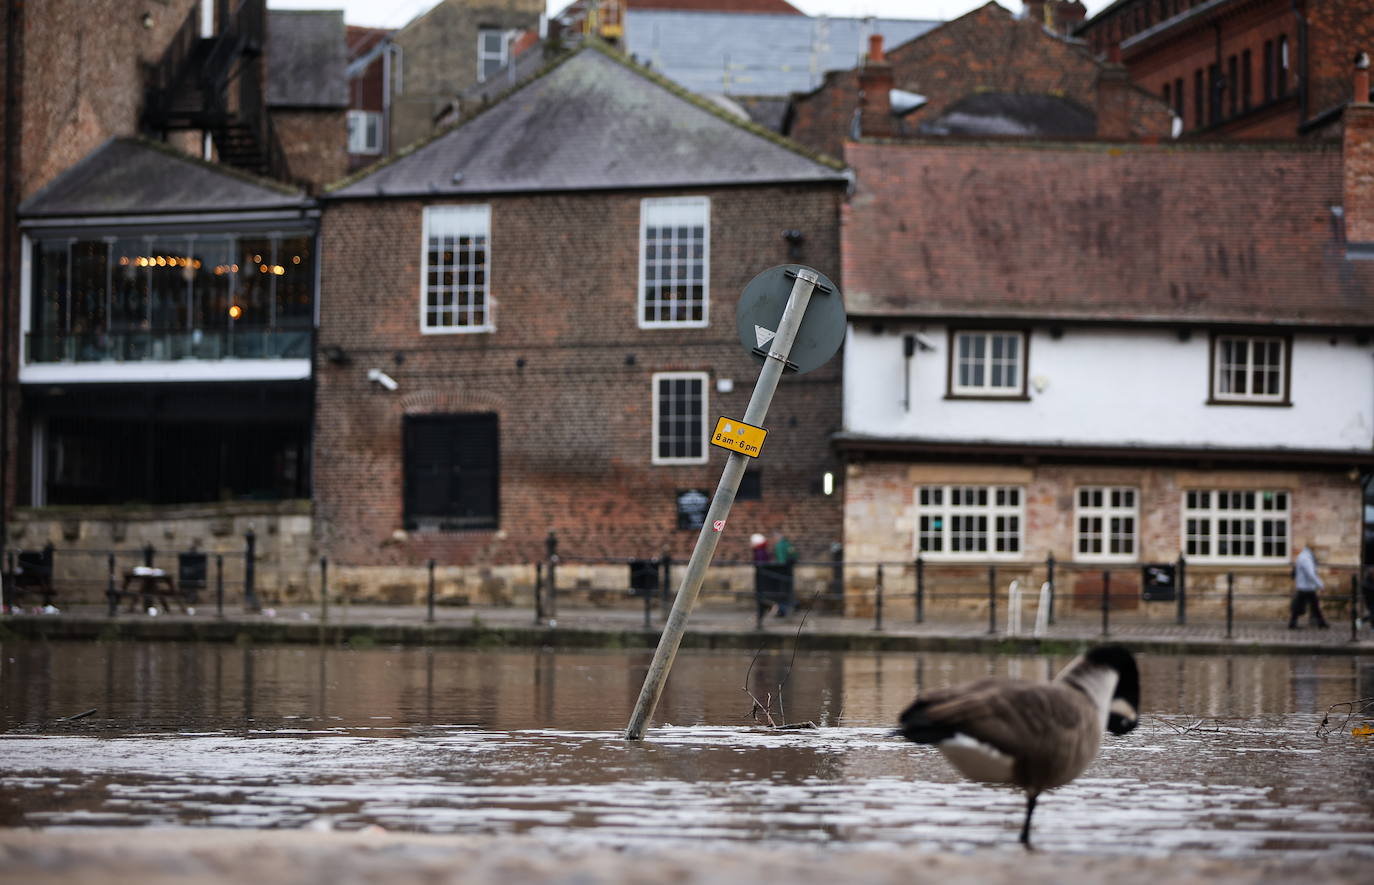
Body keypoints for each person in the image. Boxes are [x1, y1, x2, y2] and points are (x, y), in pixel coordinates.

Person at [1288, 542, 1329, 629]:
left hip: (1304, 586)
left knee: (1312, 605)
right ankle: (1321, 623)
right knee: (1313, 605)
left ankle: (1321, 623)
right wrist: (1320, 584)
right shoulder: (1306, 558)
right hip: (1306, 586)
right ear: (1312, 549)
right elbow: (1311, 574)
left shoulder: (1303, 556)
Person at [772, 530, 798, 617]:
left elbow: (781, 561)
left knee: (781, 591)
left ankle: (782, 611)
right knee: (789, 590)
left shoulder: (779, 546)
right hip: (789, 571)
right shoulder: (788, 544)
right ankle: (793, 605)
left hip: (782, 572)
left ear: (777, 537)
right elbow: (795, 556)